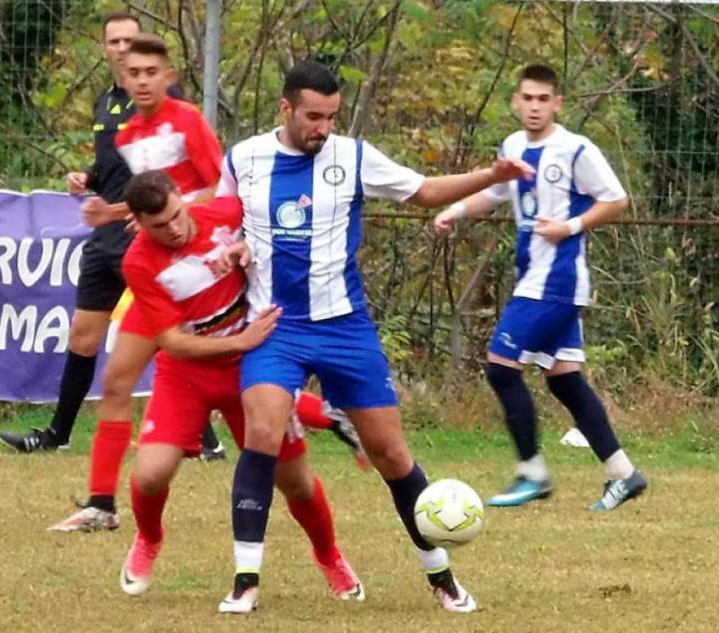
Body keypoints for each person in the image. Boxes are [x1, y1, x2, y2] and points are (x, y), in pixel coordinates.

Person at [215, 61, 533, 615]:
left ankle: (442, 579)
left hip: (345, 327)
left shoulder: (353, 157)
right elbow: (224, 219)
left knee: (389, 452)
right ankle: (245, 580)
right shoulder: (243, 158)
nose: (323, 128)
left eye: (332, 117)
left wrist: (491, 176)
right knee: (262, 430)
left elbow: (426, 191)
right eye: (313, 117)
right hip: (277, 328)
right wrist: (235, 244)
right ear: (285, 110)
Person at [115, 170, 364, 601]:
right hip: (186, 374)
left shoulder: (229, 213)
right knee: (151, 474)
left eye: (176, 215)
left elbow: (280, 229)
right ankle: (148, 539)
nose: (173, 229)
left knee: (296, 483)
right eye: (158, 226)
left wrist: (250, 246)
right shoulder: (138, 263)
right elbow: (171, 342)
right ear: (138, 222)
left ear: (182, 198)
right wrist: (240, 339)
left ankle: (330, 556)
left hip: (251, 369)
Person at [0, 13, 227, 460]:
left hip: (148, 234)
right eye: (114, 42)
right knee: (83, 335)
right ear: (104, 48)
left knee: (163, 335)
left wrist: (133, 212)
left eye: (129, 41)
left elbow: (184, 184)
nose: (122, 49)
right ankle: (58, 434)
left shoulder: (166, 103)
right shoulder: (107, 102)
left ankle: (204, 437)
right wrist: (88, 177)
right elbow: (116, 169)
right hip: (107, 237)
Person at [433, 64, 647, 511]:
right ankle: (623, 473)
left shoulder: (575, 149)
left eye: (543, 99)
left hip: (556, 281)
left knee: (500, 367)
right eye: (527, 98)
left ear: (557, 103)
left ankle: (532, 471)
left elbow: (616, 199)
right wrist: (455, 210)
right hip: (534, 277)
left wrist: (569, 225)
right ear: (515, 101)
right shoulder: (512, 147)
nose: (534, 107)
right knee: (564, 381)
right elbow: (494, 195)